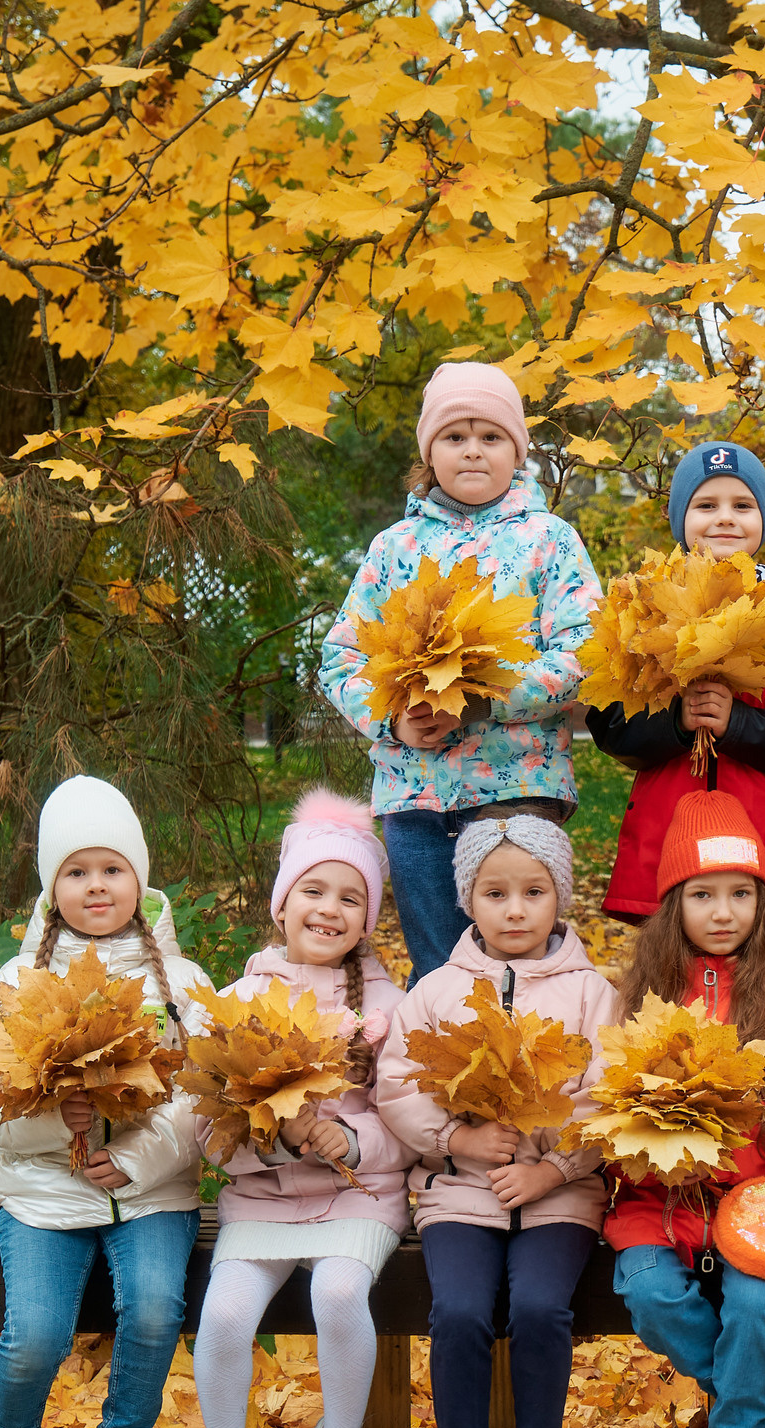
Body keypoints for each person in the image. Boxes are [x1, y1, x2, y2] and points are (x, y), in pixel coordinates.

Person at [0, 776, 212, 1428]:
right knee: (35, 1332)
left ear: (139, 877)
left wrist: (134, 1157)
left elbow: (203, 1095)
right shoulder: (15, 981)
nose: (95, 885)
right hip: (42, 1194)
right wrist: (45, 1123)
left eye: (111, 868)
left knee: (153, 1308)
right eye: (75, 871)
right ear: (51, 886)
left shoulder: (184, 982)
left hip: (150, 1194)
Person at [379, 814, 618, 1428]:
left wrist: (555, 1170)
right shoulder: (436, 990)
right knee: (458, 1309)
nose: (515, 909)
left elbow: (606, 1097)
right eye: (495, 892)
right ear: (468, 901)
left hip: (559, 1195)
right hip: (460, 1192)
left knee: (544, 1306)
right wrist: (458, 1140)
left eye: (533, 891)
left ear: (559, 897)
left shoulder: (590, 993)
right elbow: (397, 1083)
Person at [319, 361, 602, 981]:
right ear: (429, 452)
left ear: (517, 451)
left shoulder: (549, 541)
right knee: (439, 970)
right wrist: (391, 720)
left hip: (516, 793)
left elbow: (585, 653)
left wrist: (489, 697)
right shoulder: (393, 549)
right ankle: (440, 1077)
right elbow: (340, 656)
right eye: (455, 437)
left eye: (491, 437)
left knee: (521, 965)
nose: (473, 451)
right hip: (414, 796)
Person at [193, 792, 409, 1428]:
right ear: (283, 905)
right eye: (313, 890)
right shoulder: (237, 999)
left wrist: (350, 1142)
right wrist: (275, 1145)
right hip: (259, 1199)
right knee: (223, 1315)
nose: (330, 908)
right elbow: (206, 1127)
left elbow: (407, 1119)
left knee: (339, 1291)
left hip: (360, 1199)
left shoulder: (388, 1006)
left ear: (368, 916)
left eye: (351, 896)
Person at [605, 793, 765, 1428]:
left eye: (739, 893)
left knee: (757, 1309)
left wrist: (728, 1116)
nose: (722, 911)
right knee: (652, 1292)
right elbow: (612, 1101)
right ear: (674, 904)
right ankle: (756, 1396)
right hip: (658, 1198)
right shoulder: (639, 992)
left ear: (762, 901)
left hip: (761, 1189)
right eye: (702, 894)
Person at [592, 441, 765, 930]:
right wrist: (678, 723)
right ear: (680, 519)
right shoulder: (644, 608)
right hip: (667, 835)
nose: (725, 519)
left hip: (760, 841)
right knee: (668, 987)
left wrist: (738, 722)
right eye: (706, 505)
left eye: (742, 506)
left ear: (763, 519)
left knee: (757, 992)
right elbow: (611, 723)